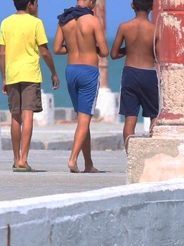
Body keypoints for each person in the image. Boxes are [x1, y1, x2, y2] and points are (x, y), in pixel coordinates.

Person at [0, 0, 58, 173]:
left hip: (12, 74)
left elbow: (2, 53)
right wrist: (53, 72)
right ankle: (24, 159)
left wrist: (4, 77)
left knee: (15, 117)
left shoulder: (5, 22)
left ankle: (16, 159)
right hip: (30, 74)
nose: (38, 6)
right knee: (28, 115)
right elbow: (45, 51)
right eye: (37, 3)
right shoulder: (36, 23)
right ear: (30, 4)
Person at [54, 0, 108, 173]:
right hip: (88, 72)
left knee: (83, 120)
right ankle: (72, 160)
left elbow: (57, 49)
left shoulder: (65, 19)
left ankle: (89, 164)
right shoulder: (93, 21)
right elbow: (105, 51)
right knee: (84, 120)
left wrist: (73, 48)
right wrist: (91, 49)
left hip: (71, 71)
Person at [110, 0, 158, 145]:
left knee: (130, 118)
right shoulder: (156, 29)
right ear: (151, 7)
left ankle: (130, 155)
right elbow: (159, 56)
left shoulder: (124, 27)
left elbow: (114, 54)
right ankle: (152, 152)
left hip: (130, 73)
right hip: (148, 74)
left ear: (132, 6)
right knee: (154, 115)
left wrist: (129, 49)